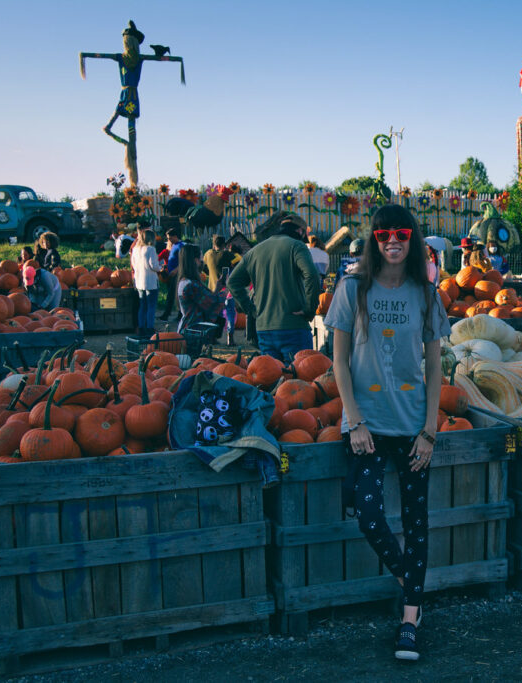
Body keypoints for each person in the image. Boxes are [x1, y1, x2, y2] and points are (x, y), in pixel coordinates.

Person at [323, 204, 449, 662]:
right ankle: (410, 582)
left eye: (400, 233)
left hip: (412, 425)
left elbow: (434, 365)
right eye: (382, 234)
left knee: (417, 523)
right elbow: (338, 360)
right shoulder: (353, 288)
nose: (391, 240)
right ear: (373, 239)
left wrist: (430, 429)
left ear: (412, 238)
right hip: (368, 425)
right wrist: (353, 420)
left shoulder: (425, 294)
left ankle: (410, 619)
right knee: (370, 515)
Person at [228, 213, 320, 361]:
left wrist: (250, 309)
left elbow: (232, 282)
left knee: (272, 377)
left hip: (264, 328)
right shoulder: (297, 246)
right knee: (300, 378)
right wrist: (309, 310)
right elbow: (312, 275)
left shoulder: (255, 251)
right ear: (300, 231)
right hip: (293, 326)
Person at [176, 243, 225, 334]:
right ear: (195, 261)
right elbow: (212, 302)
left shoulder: (185, 281)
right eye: (201, 258)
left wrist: (217, 289)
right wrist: (227, 291)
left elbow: (204, 301)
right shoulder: (192, 285)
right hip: (193, 331)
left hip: (188, 328)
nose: (203, 261)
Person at [130, 229, 162, 337]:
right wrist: (161, 267)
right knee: (151, 306)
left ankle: (141, 327)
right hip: (151, 281)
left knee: (142, 305)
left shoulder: (135, 249)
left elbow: (133, 265)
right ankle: (150, 328)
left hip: (139, 281)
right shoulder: (151, 249)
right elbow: (154, 266)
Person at [158, 227, 183, 321]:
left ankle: (175, 314)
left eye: (170, 238)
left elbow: (182, 261)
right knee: (171, 294)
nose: (168, 240)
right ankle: (168, 313)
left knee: (175, 294)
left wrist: (176, 270)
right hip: (171, 273)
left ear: (175, 236)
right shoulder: (173, 246)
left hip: (177, 273)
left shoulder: (180, 246)